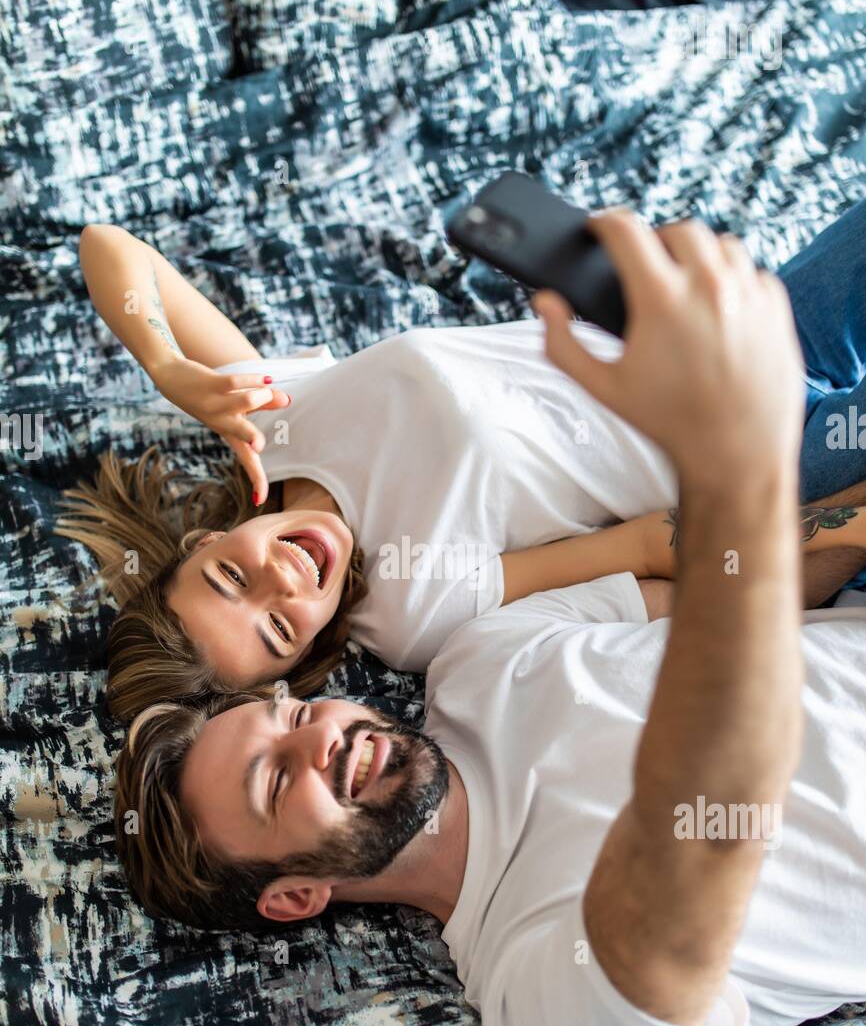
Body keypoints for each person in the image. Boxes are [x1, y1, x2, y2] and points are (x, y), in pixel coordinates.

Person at [112, 214, 866, 1026]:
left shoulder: (483, 658)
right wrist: (737, 469)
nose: (318, 741)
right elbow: (709, 836)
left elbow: (757, 581)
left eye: (293, 716)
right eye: (278, 784)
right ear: (291, 898)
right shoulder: (536, 998)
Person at [62, 200, 866, 719]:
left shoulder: (271, 426)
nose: (283, 582)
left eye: (230, 578)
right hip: (762, 453)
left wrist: (169, 369)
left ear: (203, 543)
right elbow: (647, 548)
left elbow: (110, 246)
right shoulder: (413, 612)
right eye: (277, 628)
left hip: (718, 337)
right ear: (305, 655)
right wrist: (830, 533)